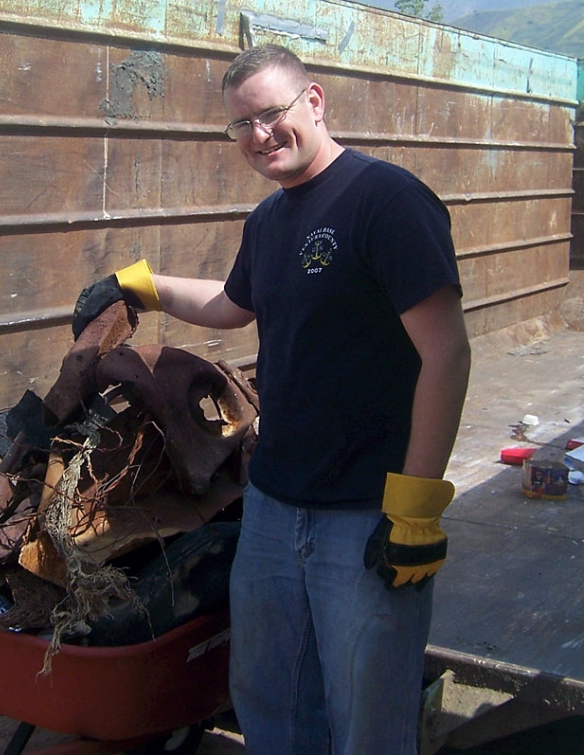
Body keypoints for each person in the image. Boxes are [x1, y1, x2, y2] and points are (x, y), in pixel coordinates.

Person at [72, 44, 471, 754]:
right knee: (271, 704)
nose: (259, 136)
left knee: (367, 722)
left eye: (272, 114)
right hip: (275, 507)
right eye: (242, 125)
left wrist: (415, 507)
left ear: (313, 101)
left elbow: (447, 353)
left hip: (366, 513)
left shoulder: (386, 200)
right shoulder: (271, 220)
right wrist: (141, 283)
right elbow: (233, 304)